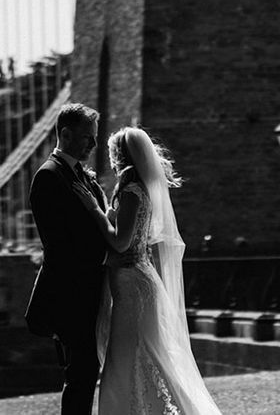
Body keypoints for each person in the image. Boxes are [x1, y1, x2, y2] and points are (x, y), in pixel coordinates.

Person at [73, 127, 222, 414]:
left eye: (112, 154)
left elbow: (120, 242)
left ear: (121, 155)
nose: (111, 161)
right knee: (138, 355)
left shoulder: (131, 192)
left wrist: (93, 210)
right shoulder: (135, 189)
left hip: (133, 285)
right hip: (132, 281)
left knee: (131, 356)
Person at [25, 103, 108, 415]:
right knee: (81, 373)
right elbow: (59, 245)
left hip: (88, 290)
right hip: (70, 293)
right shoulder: (49, 177)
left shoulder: (79, 176)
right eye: (88, 138)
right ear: (65, 134)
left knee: (86, 372)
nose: (94, 144)